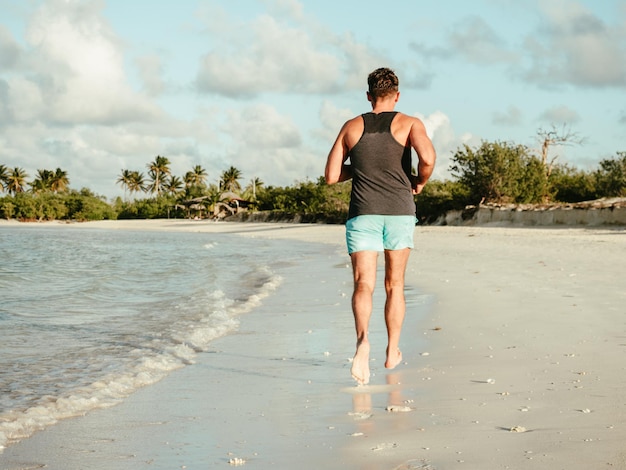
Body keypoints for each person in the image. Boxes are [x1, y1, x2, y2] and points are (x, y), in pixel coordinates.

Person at [324, 67, 436, 386]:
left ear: (369, 95)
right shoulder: (410, 123)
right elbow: (427, 157)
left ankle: (362, 342)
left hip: (363, 213)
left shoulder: (351, 126)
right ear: (397, 95)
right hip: (399, 212)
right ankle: (392, 350)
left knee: (363, 284)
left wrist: (360, 170)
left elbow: (331, 175)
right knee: (395, 284)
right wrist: (419, 181)